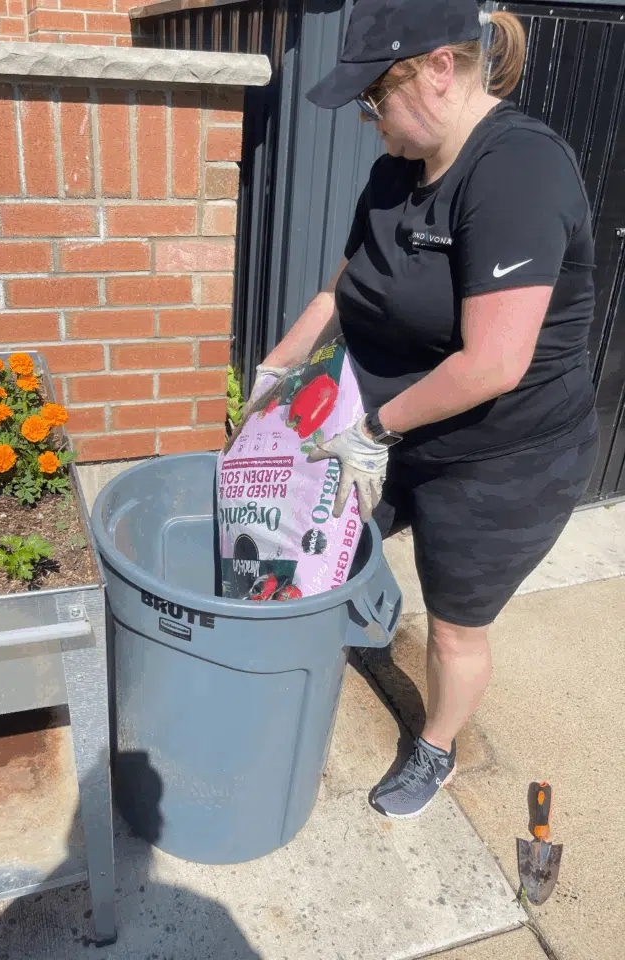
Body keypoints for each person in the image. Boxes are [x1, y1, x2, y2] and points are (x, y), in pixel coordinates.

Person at [252, 0, 599, 819]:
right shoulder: (396, 168)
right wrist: (277, 369)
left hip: (499, 457)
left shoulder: (518, 170)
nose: (370, 123)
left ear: (439, 70)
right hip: (385, 423)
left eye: (375, 99)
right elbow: (340, 286)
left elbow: (495, 362)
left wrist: (371, 432)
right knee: (307, 549)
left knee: (453, 626)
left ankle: (436, 746)